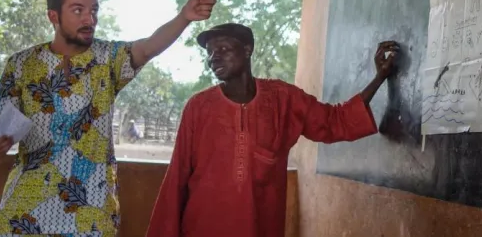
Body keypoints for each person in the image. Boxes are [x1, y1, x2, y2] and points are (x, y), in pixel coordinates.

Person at [0, 0, 229, 237]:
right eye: (78, 10)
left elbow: (148, 47)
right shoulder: (21, 63)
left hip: (91, 210)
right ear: (53, 16)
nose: (89, 18)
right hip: (25, 209)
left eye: (94, 10)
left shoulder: (108, 59)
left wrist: (184, 17)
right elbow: (3, 130)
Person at [146, 23, 399, 237]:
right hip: (202, 228)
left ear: (247, 50)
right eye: (210, 53)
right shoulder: (198, 107)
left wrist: (378, 78)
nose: (214, 57)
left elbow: (335, 120)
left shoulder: (283, 99)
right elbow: (176, 178)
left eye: (223, 49)